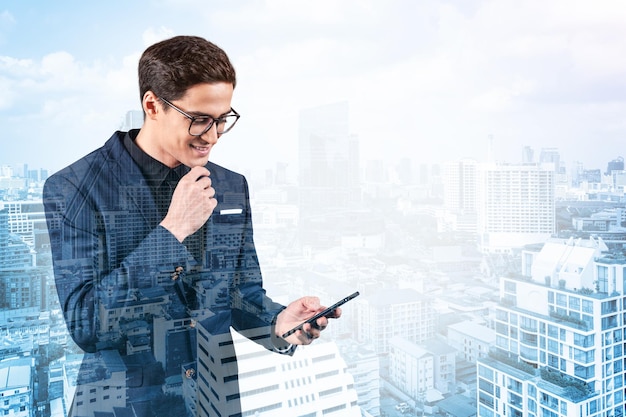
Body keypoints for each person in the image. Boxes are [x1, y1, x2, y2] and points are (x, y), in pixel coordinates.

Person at [43, 35, 339, 417]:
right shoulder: (74, 189)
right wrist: (172, 233)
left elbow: (236, 294)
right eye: (200, 120)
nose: (213, 137)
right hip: (123, 407)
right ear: (152, 105)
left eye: (222, 120)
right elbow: (87, 326)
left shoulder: (231, 186)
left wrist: (278, 321)